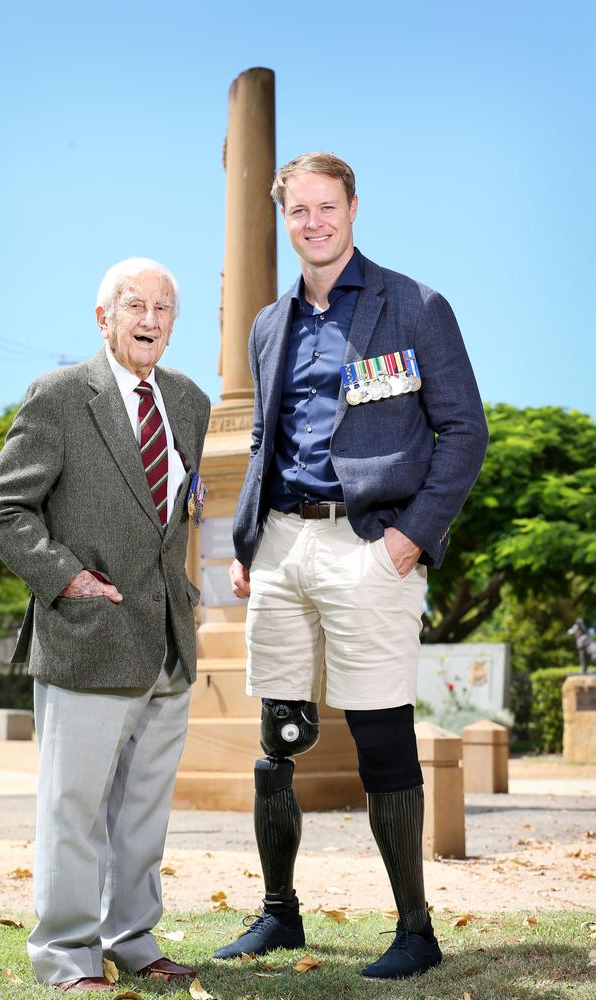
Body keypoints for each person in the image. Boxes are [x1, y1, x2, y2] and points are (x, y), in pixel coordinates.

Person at [213, 153, 489, 981]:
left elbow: (464, 432)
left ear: (354, 207)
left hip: (371, 545)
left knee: (381, 737)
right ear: (285, 217)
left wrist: (412, 536)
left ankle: (415, 931)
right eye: (298, 211)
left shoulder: (416, 306)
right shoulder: (269, 324)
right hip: (282, 548)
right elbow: (266, 441)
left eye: (326, 208)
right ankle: (279, 916)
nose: (314, 223)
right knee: (279, 739)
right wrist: (247, 539)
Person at [0, 258, 210, 992]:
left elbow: (173, 518)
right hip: (87, 636)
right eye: (134, 305)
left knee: (143, 813)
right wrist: (65, 576)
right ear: (103, 317)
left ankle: (132, 938)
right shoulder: (59, 397)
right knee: (73, 810)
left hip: (167, 644)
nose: (149, 319)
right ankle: (66, 957)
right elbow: (1, 509)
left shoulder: (191, 402)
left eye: (163, 308)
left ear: (174, 321)